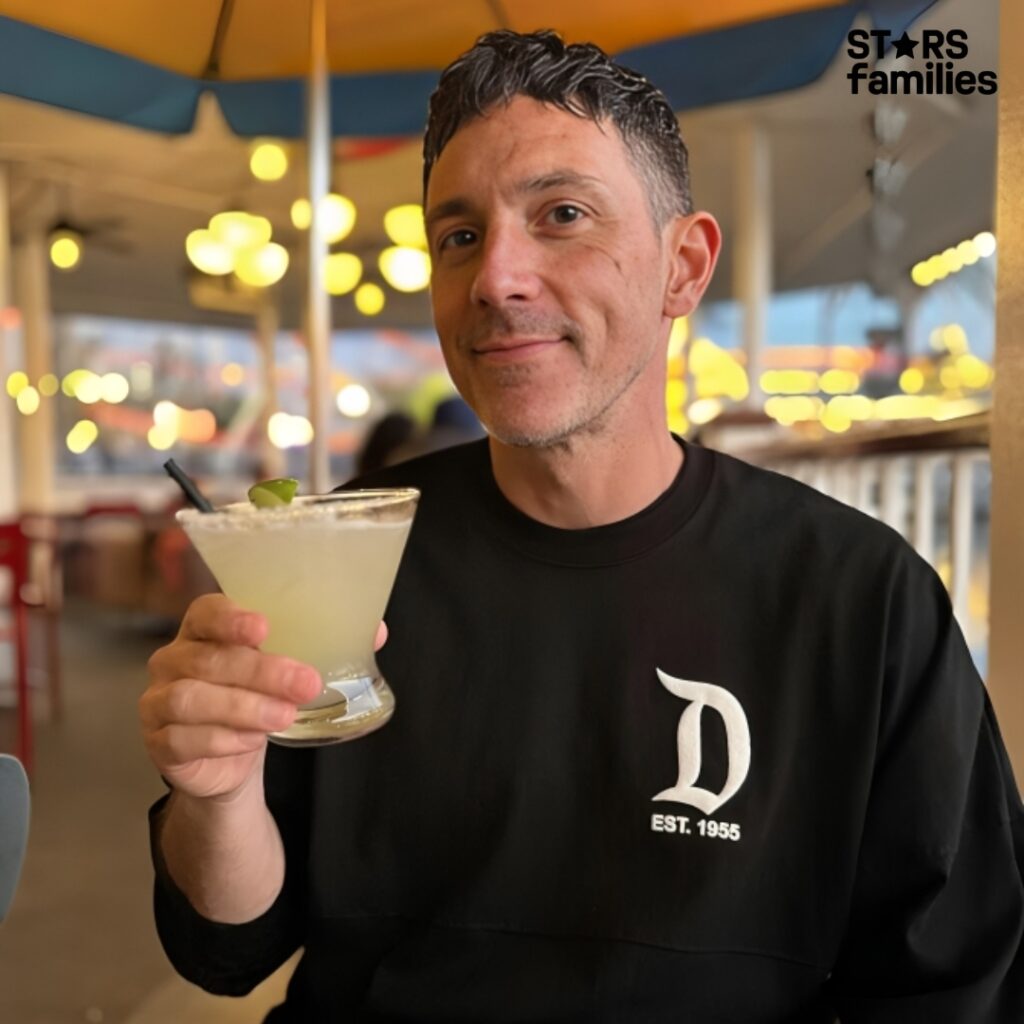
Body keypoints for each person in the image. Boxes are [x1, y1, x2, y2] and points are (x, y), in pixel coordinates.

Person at [140, 30, 1024, 1022]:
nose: (495, 279)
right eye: (459, 235)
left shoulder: (858, 595)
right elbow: (229, 944)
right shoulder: (341, 553)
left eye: (561, 215)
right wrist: (214, 793)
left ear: (682, 269)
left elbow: (952, 984)